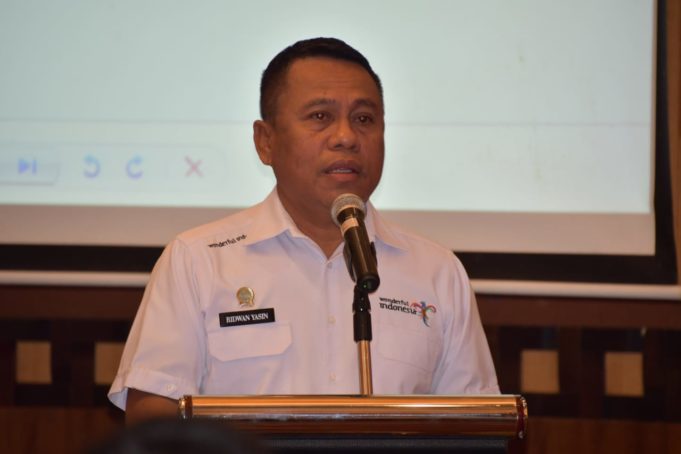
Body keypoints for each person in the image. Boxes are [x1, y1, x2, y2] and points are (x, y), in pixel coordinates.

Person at [108, 37, 499, 423]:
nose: (346, 137)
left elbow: (477, 425)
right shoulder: (197, 261)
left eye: (364, 119)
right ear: (266, 142)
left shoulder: (436, 272)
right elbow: (152, 418)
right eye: (320, 117)